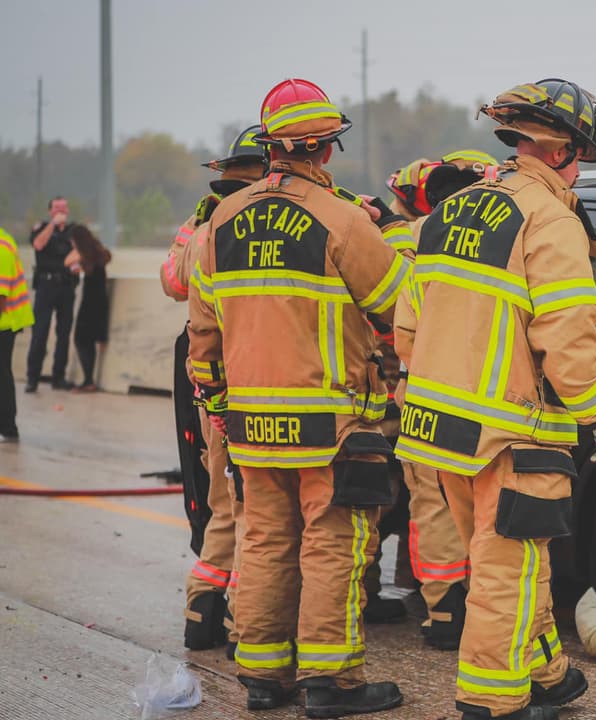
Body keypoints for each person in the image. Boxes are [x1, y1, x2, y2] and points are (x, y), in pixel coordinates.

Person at [395, 78, 596, 720]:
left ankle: (547, 673)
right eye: (581, 156)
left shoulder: (452, 209)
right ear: (560, 152)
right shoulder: (551, 219)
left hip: (439, 428)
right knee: (508, 568)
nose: (579, 171)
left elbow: (408, 326)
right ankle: (491, 701)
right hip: (511, 435)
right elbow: (567, 336)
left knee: (509, 561)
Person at [187, 78, 410, 717]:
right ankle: (329, 682)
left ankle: (261, 677)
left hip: (251, 421)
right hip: (331, 423)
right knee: (333, 543)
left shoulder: (221, 220)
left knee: (263, 540)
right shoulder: (341, 218)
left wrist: (221, 403)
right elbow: (401, 306)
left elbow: (204, 335)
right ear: (324, 150)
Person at [385, 150, 500, 650]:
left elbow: (400, 327)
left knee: (433, 503)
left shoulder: (419, 238)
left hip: (428, 390)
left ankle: (445, 612)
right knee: (489, 507)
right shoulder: (503, 235)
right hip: (491, 396)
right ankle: (482, 607)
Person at [161, 125, 267, 655]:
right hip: (251, 372)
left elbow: (172, 282)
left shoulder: (202, 221)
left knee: (221, 501)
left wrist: (191, 229)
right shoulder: (257, 222)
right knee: (254, 510)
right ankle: (243, 625)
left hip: (206, 377)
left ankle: (202, 608)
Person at [25, 196, 79, 393]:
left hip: (66, 286)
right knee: (40, 333)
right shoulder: (42, 228)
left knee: (64, 334)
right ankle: (33, 377)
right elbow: (38, 245)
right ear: (50, 211)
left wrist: (76, 264)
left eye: (63, 208)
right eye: (57, 208)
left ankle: (59, 377)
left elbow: (82, 252)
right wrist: (52, 226)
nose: (61, 212)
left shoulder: (74, 232)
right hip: (46, 286)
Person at [64, 225, 112, 392]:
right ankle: (88, 380)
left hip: (89, 302)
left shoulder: (84, 253)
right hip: (100, 300)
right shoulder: (97, 250)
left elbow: (67, 261)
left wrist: (77, 250)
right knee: (89, 340)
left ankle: (88, 380)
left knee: (80, 338)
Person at [0, 226, 34, 442]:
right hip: (7, 321)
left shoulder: (2, 246)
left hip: (5, 321)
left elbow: (0, 296)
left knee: (2, 375)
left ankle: (7, 427)